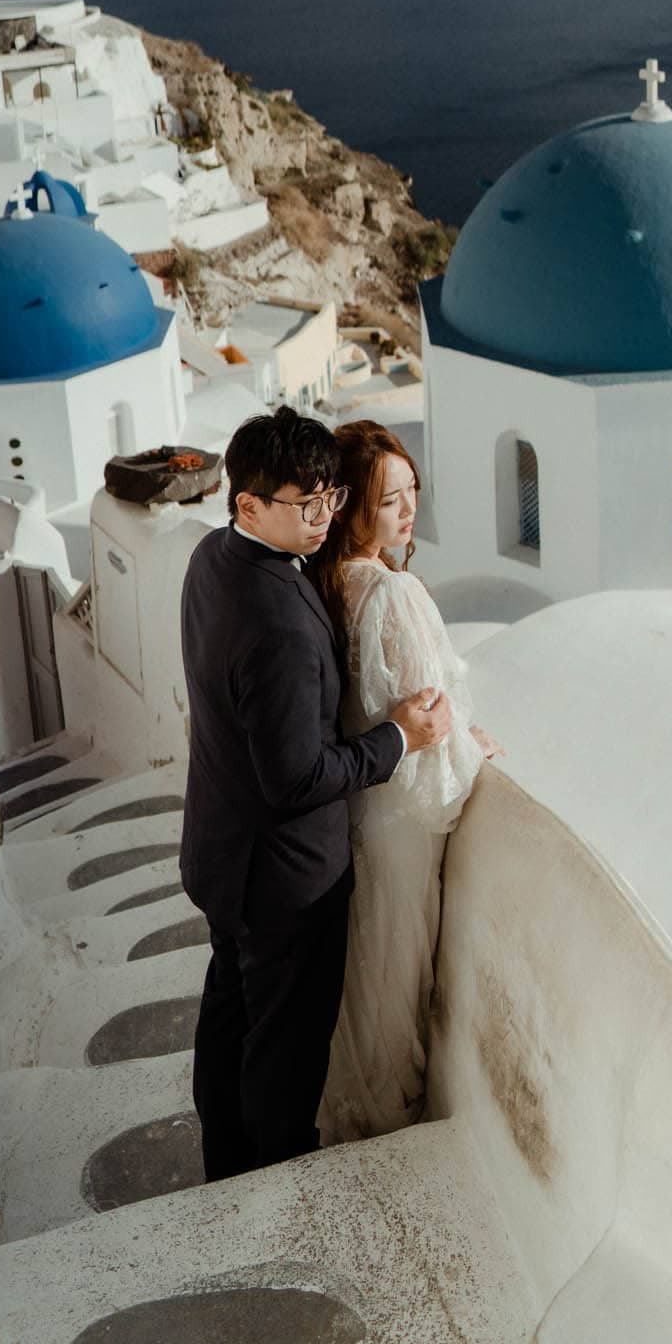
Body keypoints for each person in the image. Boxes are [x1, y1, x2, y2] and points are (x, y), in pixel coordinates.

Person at [178, 409, 453, 1181]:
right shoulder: (282, 624)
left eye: (330, 498)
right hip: (284, 882)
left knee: (229, 1019)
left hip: (221, 856)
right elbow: (297, 777)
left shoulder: (211, 560)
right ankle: (275, 1186)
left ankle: (224, 1166)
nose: (324, 518)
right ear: (248, 505)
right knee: (283, 1055)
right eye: (306, 505)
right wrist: (399, 738)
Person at [317, 420, 501, 1144]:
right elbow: (426, 715)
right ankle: (386, 1118)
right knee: (395, 973)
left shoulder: (330, 585)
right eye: (387, 498)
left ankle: (357, 1111)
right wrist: (472, 752)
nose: (407, 508)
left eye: (411, 491)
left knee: (363, 970)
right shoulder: (391, 593)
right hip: (400, 818)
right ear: (353, 507)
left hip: (357, 808)